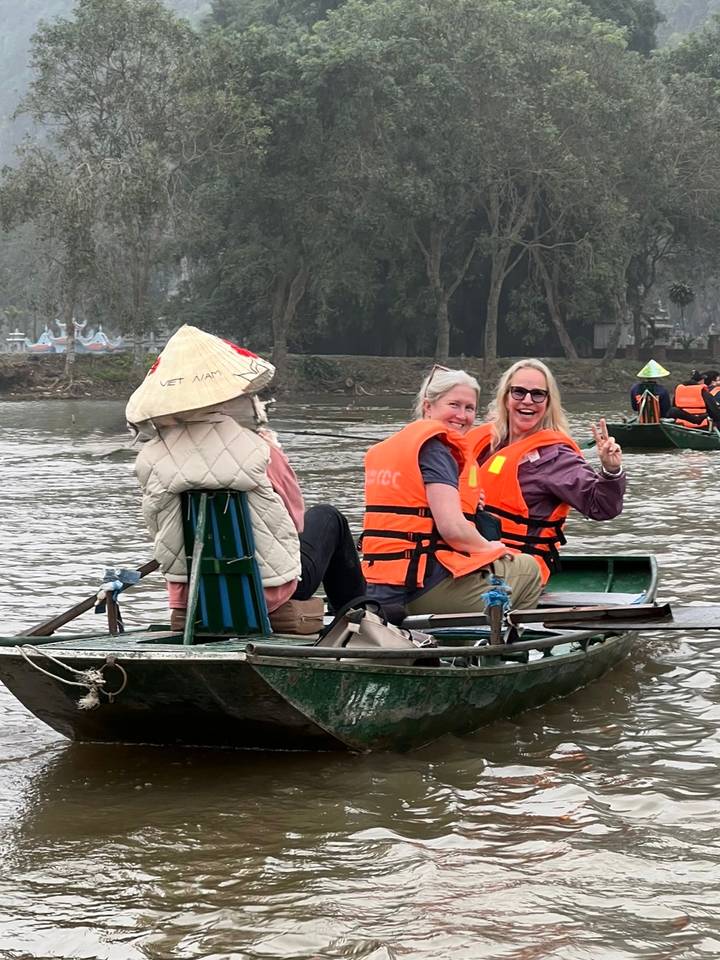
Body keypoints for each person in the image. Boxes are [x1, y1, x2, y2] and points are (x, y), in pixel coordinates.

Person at [125, 325, 365, 631]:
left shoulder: (149, 458)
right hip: (269, 592)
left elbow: (158, 527)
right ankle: (359, 614)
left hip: (192, 595)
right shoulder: (261, 450)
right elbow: (295, 523)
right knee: (328, 517)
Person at [361, 366, 544, 617]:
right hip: (419, 591)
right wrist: (493, 548)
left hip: (379, 588)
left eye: (469, 408)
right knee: (529, 567)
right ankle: (502, 649)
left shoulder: (397, 446)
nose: (463, 415)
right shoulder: (437, 451)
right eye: (454, 405)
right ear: (428, 407)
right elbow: (453, 530)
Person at [461, 359, 625, 585]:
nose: (527, 401)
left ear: (548, 403)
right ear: (506, 396)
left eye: (538, 394)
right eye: (518, 392)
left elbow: (602, 507)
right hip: (466, 557)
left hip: (515, 569)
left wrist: (611, 469)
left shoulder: (555, 457)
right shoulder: (482, 443)